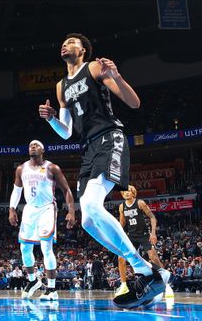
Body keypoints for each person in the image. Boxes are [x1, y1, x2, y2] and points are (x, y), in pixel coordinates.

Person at [39, 33, 164, 308]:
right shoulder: (61, 86)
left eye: (71, 42)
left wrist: (117, 77)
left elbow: (134, 103)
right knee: (87, 220)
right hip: (88, 149)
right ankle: (149, 271)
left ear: (83, 49)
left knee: (93, 207)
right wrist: (51, 121)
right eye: (64, 41)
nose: (65, 44)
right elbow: (66, 132)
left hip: (110, 138)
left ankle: (144, 271)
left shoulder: (94, 67)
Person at [9, 140, 76, 300]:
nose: (32, 146)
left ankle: (52, 289)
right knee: (24, 248)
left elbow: (66, 189)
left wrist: (71, 211)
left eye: (36, 145)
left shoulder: (52, 168)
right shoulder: (21, 169)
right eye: (31, 145)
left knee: (46, 248)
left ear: (43, 150)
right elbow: (16, 191)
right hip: (29, 210)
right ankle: (33, 282)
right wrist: (12, 209)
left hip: (47, 208)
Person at [117, 185, 173, 302]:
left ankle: (166, 286)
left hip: (143, 235)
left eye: (129, 191)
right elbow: (122, 223)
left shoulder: (140, 203)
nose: (126, 193)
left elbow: (152, 217)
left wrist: (153, 233)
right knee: (121, 257)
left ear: (133, 193)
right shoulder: (122, 207)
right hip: (131, 236)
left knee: (154, 258)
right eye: (124, 192)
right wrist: (118, 236)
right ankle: (123, 285)